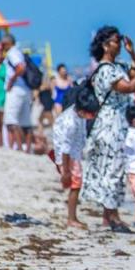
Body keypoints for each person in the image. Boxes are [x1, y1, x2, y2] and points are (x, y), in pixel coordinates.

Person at [80, 26, 135, 233]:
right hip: (108, 125)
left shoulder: (118, 65)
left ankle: (108, 216)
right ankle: (113, 217)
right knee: (111, 171)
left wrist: (134, 54)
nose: (119, 44)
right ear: (105, 45)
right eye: (116, 40)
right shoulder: (105, 70)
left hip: (117, 124)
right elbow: (130, 87)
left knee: (112, 169)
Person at [52, 87, 100, 229]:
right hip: (68, 157)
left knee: (76, 186)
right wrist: (66, 171)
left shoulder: (78, 113)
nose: (94, 116)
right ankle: (71, 218)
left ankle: (72, 217)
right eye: (92, 114)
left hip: (74, 154)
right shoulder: (70, 122)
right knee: (75, 186)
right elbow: (65, 149)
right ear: (82, 111)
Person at [1, 34, 32, 152]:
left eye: (3, 44)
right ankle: (27, 149)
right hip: (25, 89)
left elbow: (20, 68)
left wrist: (11, 81)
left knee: (11, 121)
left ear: (8, 43)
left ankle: (18, 148)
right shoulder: (19, 52)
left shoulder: (12, 53)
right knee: (26, 122)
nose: (2, 47)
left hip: (16, 89)